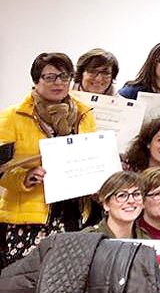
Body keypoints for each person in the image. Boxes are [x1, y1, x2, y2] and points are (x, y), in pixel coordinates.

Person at [0, 53, 99, 265]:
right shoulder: (12, 117)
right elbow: (2, 170)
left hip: (74, 212)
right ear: (36, 80)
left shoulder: (84, 113)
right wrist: (25, 177)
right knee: (25, 285)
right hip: (30, 218)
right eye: (50, 77)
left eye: (64, 76)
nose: (59, 83)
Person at [84, 171, 149, 239]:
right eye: (122, 195)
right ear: (106, 204)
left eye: (136, 194)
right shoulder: (87, 238)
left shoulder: (147, 240)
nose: (131, 201)